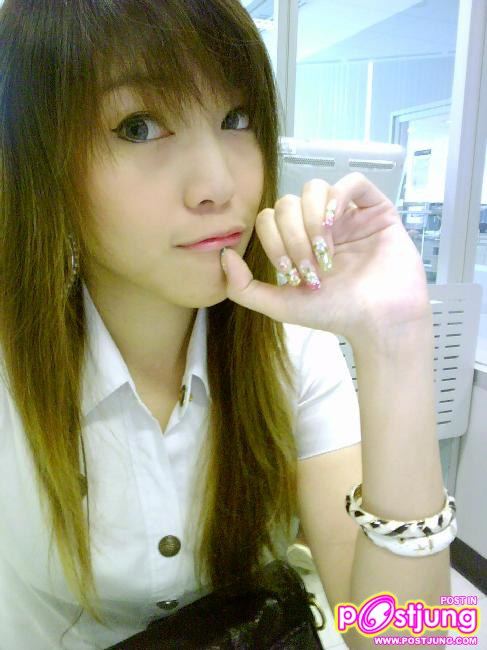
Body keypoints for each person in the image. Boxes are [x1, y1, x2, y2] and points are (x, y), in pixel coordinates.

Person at [0, 1, 453, 649]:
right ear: (39, 162)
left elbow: (400, 640)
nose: (217, 183)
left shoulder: (292, 348)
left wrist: (396, 339)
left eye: (236, 119)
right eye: (138, 126)